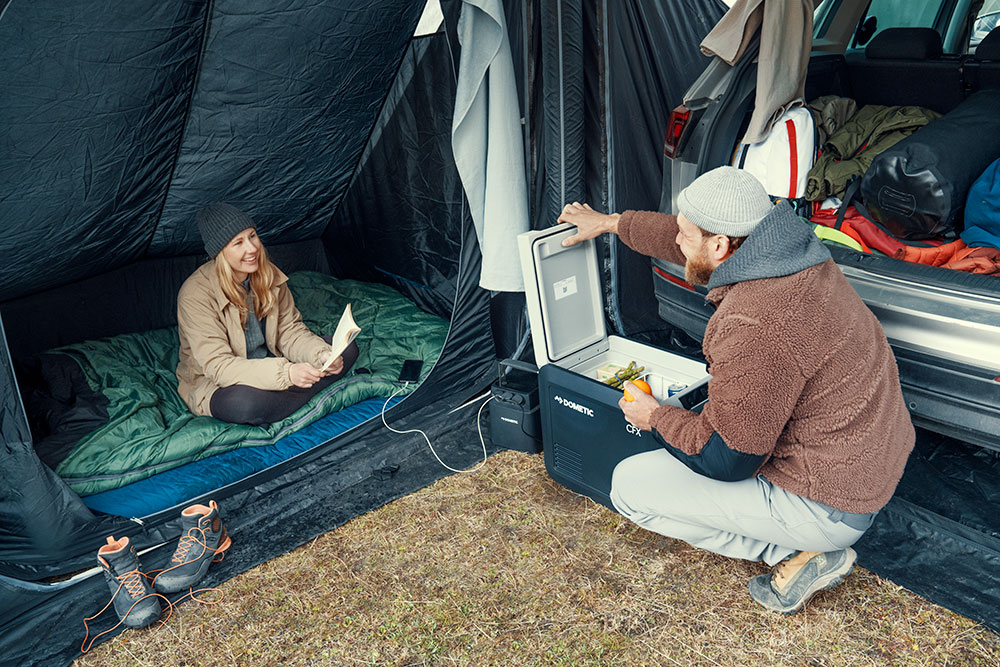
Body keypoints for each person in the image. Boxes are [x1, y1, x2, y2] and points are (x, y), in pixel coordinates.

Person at [557, 166, 915, 614]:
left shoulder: (758, 324)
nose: (677, 243)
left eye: (687, 236)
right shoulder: (790, 248)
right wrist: (611, 223)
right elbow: (687, 235)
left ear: (722, 245)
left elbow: (727, 458)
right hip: (869, 455)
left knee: (629, 487)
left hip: (831, 500)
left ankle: (800, 552)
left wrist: (655, 418)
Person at [176, 202, 358, 426]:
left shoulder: (267, 273)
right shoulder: (195, 294)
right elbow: (220, 367)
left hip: (270, 362)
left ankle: (281, 402)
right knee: (245, 405)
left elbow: (289, 331)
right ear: (220, 252)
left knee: (346, 349)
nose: (252, 248)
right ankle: (295, 394)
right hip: (224, 381)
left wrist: (319, 355)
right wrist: (287, 374)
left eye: (252, 236)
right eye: (238, 243)